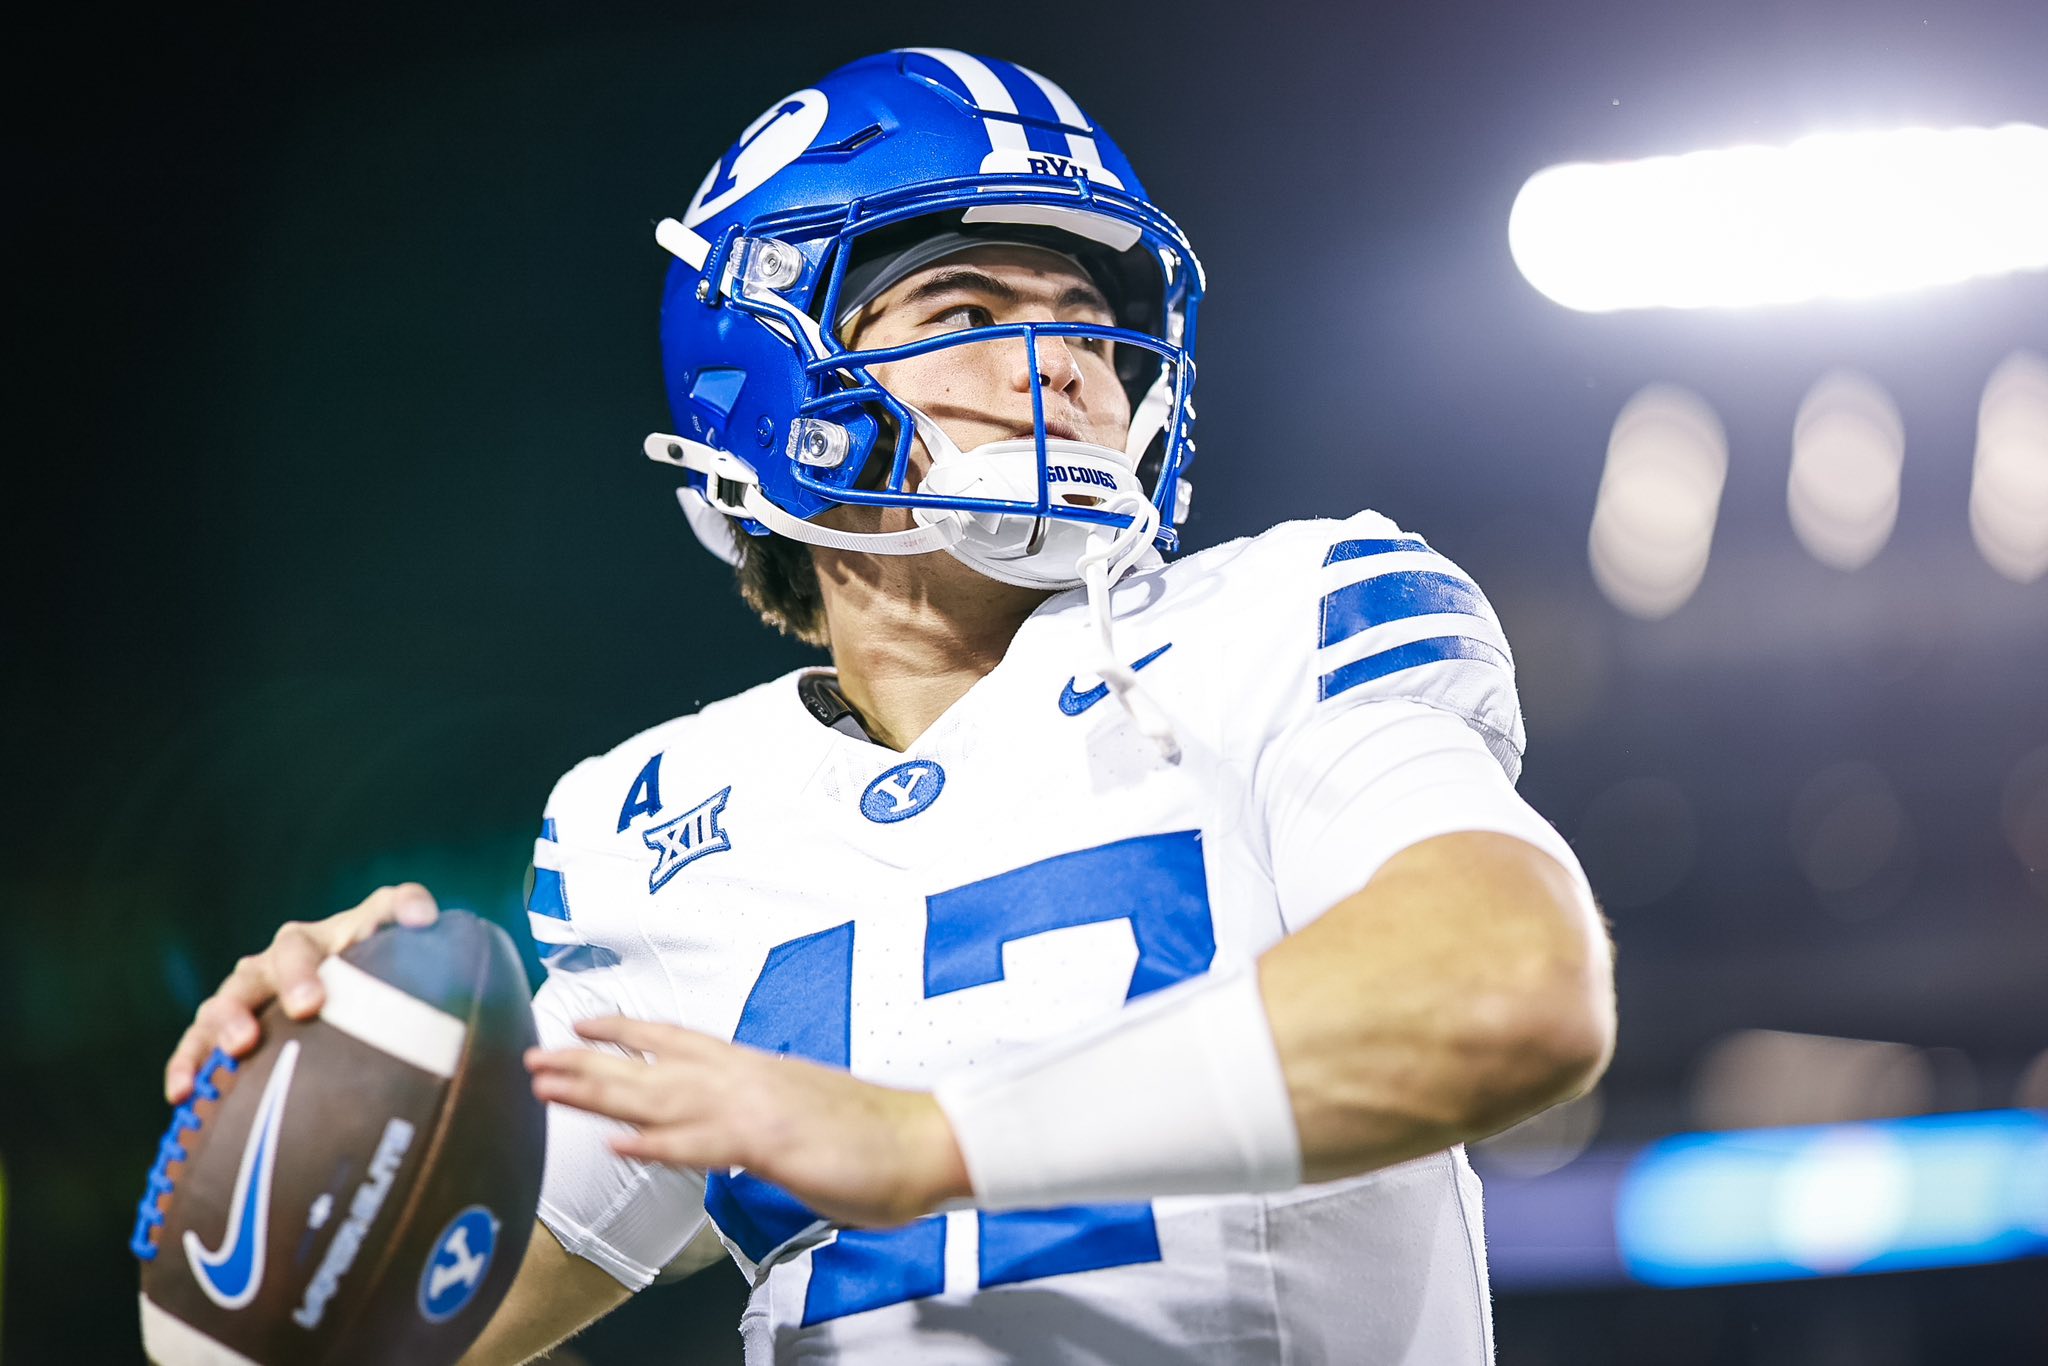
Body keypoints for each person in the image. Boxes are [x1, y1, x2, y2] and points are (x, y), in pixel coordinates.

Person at [162, 48, 1614, 1365]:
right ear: (775, 378)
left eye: (1089, 319)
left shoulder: (1281, 616)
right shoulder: (656, 828)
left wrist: (930, 1139)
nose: (1066, 361)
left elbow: (1509, 991)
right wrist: (323, 1100)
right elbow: (370, 1342)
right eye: (967, 308)